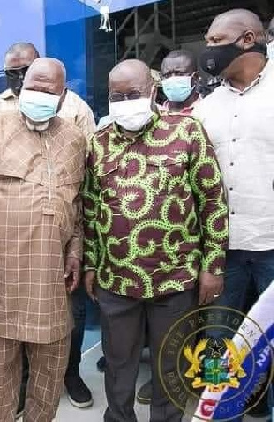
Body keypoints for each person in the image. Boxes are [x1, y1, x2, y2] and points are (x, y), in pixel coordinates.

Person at [83, 58, 228, 422]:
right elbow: (88, 209)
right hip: (117, 279)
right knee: (118, 364)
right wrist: (90, 263)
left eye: (133, 93)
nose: (124, 101)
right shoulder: (97, 144)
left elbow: (213, 201)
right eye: (117, 96)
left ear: (152, 90)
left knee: (171, 363)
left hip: (175, 277)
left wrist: (213, 266)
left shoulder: (188, 131)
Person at [0, 58, 87, 421]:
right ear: (20, 88)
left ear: (63, 98)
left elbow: (76, 204)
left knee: (48, 375)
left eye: (50, 91)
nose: (40, 95)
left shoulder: (75, 139)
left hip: (51, 278)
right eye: (33, 87)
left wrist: (75, 251)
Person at [192, 9, 273, 419]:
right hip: (223, 251)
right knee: (220, 341)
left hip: (272, 246)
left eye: (213, 41)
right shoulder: (207, 108)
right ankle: (224, 412)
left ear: (246, 39)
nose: (207, 51)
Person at [160, 50, 201, 114]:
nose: (172, 79)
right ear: (161, 78)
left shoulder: (208, 110)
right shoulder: (154, 114)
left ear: (195, 77)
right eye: (167, 75)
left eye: (179, 74)